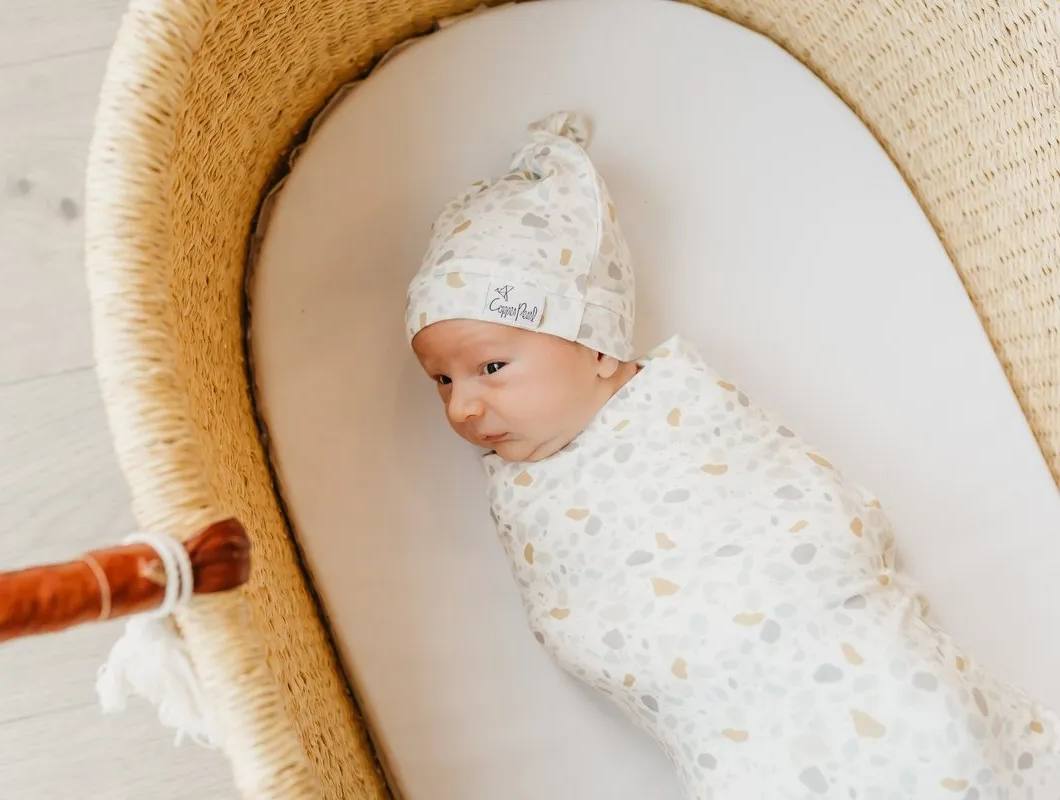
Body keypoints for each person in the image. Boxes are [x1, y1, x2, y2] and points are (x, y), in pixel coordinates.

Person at [405, 111, 1059, 798]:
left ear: (596, 346)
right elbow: (584, 615)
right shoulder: (524, 488)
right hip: (733, 739)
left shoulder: (682, 408)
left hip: (844, 653)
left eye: (490, 367)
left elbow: (806, 510)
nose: (462, 407)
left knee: (931, 740)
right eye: (441, 381)